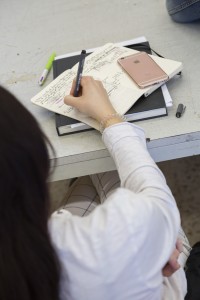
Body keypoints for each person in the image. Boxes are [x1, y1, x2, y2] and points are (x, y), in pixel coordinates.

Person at [0, 77, 191, 300]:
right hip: (158, 284)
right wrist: (107, 116)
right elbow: (156, 196)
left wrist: (145, 229)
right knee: (115, 169)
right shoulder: (95, 244)